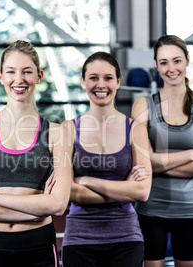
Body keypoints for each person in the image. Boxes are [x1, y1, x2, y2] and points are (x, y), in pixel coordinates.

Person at [0, 40, 72, 267]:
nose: (19, 80)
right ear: (0, 76)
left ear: (39, 76)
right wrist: (33, 212)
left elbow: (59, 204)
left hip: (37, 245)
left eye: (27, 72)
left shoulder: (57, 133)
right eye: (11, 72)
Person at [131, 35, 193, 267]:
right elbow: (140, 162)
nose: (171, 68)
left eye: (176, 60)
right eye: (163, 62)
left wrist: (156, 163)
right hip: (150, 211)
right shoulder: (143, 106)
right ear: (156, 65)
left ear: (187, 60)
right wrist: (189, 155)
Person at [61, 51, 152, 267]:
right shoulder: (68, 129)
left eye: (108, 78)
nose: (101, 84)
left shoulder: (135, 129)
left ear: (118, 82)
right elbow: (66, 192)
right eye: (93, 78)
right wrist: (124, 189)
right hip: (78, 239)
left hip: (126, 239)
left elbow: (142, 191)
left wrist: (87, 181)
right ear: (83, 82)